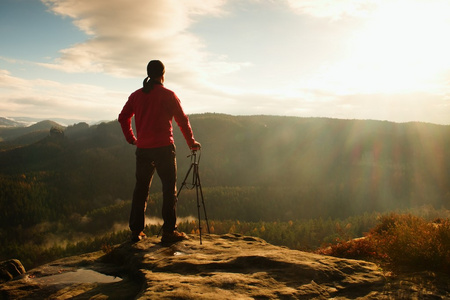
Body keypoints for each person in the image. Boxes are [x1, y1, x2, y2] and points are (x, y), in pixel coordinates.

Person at [118, 60, 201, 243]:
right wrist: (191, 142)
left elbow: (123, 117)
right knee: (168, 190)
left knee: (141, 190)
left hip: (143, 150)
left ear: (148, 73)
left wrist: (132, 139)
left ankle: (136, 232)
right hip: (164, 149)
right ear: (163, 74)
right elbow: (182, 120)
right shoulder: (168, 95)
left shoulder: (136, 96)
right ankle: (169, 232)